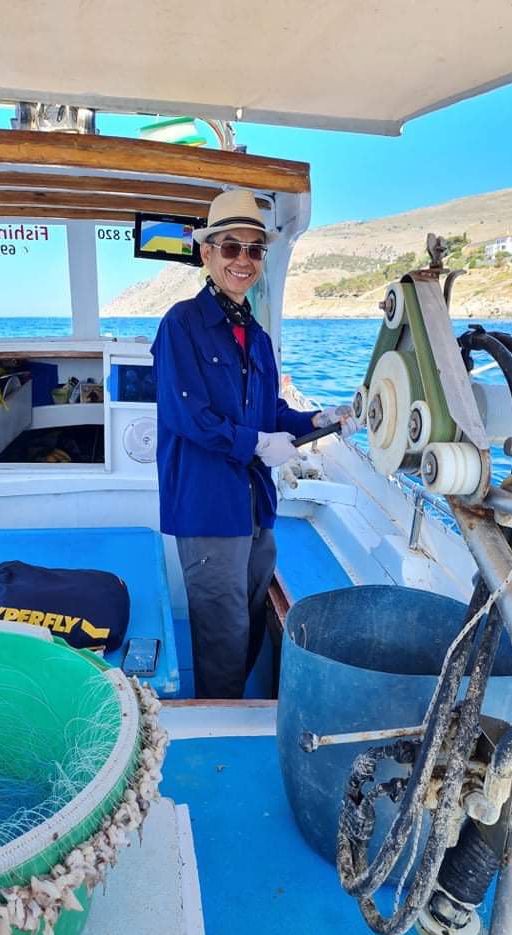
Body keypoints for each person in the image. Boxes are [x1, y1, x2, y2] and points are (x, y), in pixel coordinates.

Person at [151, 190, 356, 699]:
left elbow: (270, 413)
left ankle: (232, 700)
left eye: (254, 249)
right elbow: (186, 414)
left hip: (255, 505)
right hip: (207, 507)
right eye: (231, 247)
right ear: (207, 253)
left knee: (247, 619)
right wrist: (258, 444)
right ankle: (220, 722)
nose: (243, 260)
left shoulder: (258, 338)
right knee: (222, 633)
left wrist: (319, 419)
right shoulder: (180, 324)